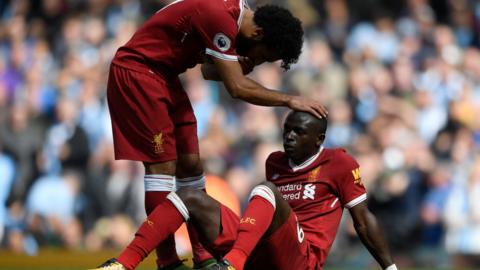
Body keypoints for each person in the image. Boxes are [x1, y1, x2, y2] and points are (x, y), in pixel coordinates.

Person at [106, 0, 326, 269]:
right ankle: (167, 261)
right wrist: (290, 100)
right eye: (262, 57)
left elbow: (208, 70)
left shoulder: (238, 19)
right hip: (139, 71)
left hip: (166, 76)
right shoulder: (220, 16)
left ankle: (203, 256)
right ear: (257, 35)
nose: (256, 63)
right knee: (162, 168)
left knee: (191, 166)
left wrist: (237, 65)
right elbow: (237, 88)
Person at [90, 110, 396, 270]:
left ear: (318, 139)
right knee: (191, 197)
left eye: (298, 132)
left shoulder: (339, 162)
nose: (289, 136)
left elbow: (362, 220)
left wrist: (390, 267)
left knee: (265, 191)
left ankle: (231, 264)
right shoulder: (274, 161)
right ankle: (124, 263)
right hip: (261, 253)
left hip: (302, 261)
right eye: (286, 129)